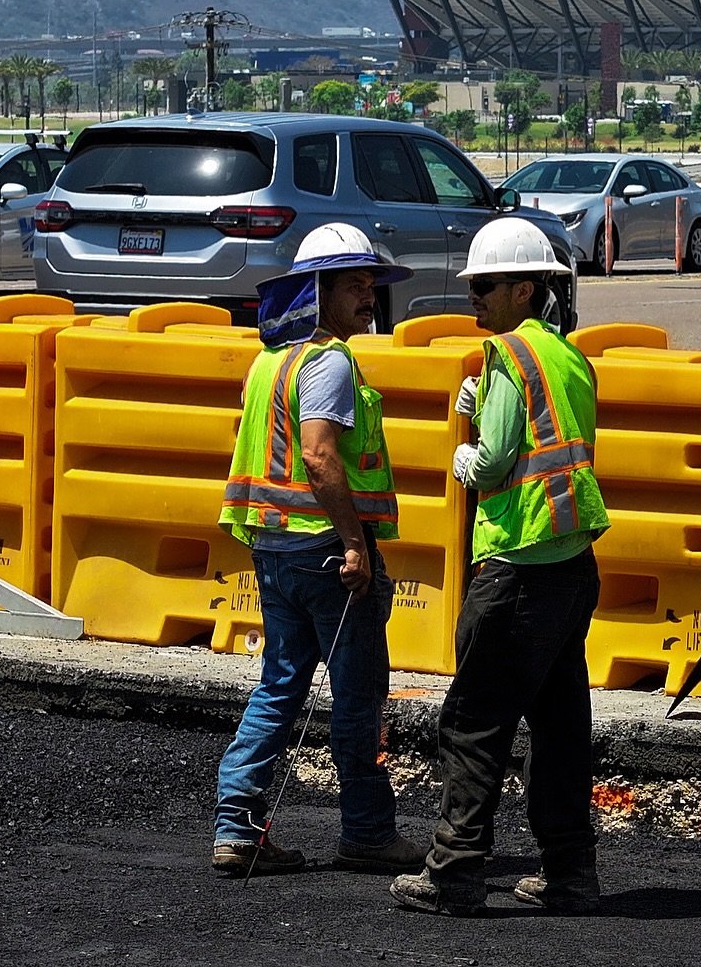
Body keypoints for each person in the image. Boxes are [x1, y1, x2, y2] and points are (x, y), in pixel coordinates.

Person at [391, 217, 610, 917]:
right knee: (558, 725)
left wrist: (465, 451)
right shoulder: (567, 355)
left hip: (516, 570)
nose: (473, 299)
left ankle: (454, 870)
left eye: (485, 287)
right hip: (571, 566)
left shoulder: (509, 356)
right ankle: (570, 873)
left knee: (474, 721)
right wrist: (485, 403)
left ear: (525, 287)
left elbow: (492, 462)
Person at [212, 222, 425, 877]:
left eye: (370, 284)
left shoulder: (270, 359)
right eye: (354, 285)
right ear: (317, 291)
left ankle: (235, 828)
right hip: (326, 552)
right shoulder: (328, 360)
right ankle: (365, 831)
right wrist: (356, 544)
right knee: (359, 697)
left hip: (274, 551)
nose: (368, 297)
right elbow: (319, 452)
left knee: (279, 686)